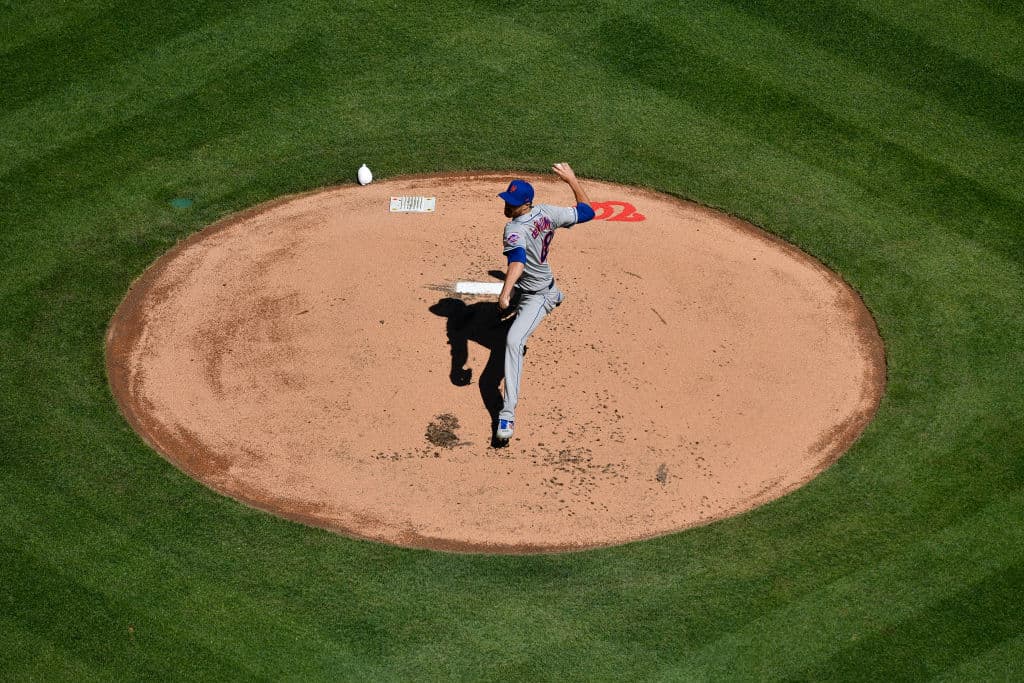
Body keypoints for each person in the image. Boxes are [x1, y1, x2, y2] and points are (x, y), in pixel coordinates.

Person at [495, 163, 595, 441]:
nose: (508, 207)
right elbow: (587, 212)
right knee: (508, 308)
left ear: (525, 205)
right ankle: (522, 300)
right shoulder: (547, 212)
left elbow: (516, 262)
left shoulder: (513, 229)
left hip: (537, 296)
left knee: (514, 342)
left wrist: (505, 294)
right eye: (507, 201)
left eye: (513, 204)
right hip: (535, 285)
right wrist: (573, 181)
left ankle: (507, 415)